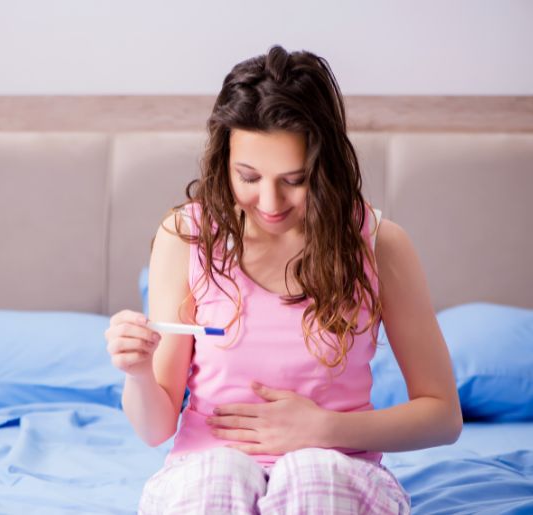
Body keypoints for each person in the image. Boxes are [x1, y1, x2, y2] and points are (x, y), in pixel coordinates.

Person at [104, 45, 462, 514]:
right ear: (224, 161)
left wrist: (324, 429)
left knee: (314, 475)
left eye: (294, 180)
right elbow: (155, 428)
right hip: (205, 470)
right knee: (219, 478)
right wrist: (137, 373)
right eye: (249, 177)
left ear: (325, 167)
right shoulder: (187, 237)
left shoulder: (380, 245)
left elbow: (443, 415)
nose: (270, 203)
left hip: (338, 469)